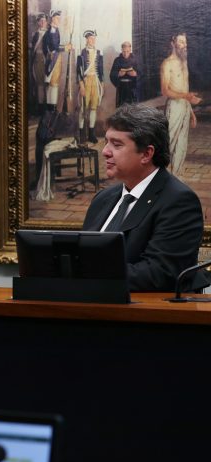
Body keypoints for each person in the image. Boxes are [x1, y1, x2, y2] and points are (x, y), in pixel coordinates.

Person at [83, 103, 204, 292]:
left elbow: (159, 273)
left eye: (117, 144)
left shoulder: (179, 202)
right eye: (106, 142)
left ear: (147, 154)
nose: (105, 151)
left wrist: (82, 273)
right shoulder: (103, 199)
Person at [160, 33, 202, 175]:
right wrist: (186, 96)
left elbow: (185, 90)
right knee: (169, 145)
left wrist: (191, 113)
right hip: (174, 108)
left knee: (181, 146)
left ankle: (176, 178)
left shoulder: (184, 62)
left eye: (185, 42)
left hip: (184, 107)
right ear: (173, 43)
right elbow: (165, 91)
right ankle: (162, 179)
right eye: (181, 42)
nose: (185, 45)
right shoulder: (167, 63)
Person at [76, 30, 103, 144]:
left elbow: (100, 70)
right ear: (87, 39)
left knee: (93, 108)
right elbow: (78, 71)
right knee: (83, 108)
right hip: (86, 81)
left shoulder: (98, 52)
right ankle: (81, 134)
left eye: (94, 38)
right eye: (91, 38)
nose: (93, 40)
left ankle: (91, 134)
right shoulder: (81, 53)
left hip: (95, 82)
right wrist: (81, 85)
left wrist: (102, 84)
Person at [42, 10, 72, 112]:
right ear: (53, 19)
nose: (59, 20)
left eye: (59, 18)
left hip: (54, 58)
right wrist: (65, 47)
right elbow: (54, 47)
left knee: (53, 84)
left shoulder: (55, 29)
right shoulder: (52, 30)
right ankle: (51, 108)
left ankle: (51, 107)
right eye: (57, 18)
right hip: (53, 60)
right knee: (53, 83)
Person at [29, 13, 49, 114]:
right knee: (40, 84)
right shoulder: (36, 34)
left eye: (44, 21)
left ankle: (48, 106)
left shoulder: (49, 33)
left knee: (48, 84)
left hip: (47, 60)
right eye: (41, 21)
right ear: (38, 23)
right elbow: (33, 48)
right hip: (38, 61)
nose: (43, 23)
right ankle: (41, 107)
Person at [109, 41, 138, 107]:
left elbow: (142, 74)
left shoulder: (135, 59)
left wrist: (135, 74)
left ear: (130, 50)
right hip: (121, 88)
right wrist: (118, 74)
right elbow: (111, 75)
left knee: (133, 108)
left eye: (127, 51)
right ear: (121, 50)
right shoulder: (117, 60)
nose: (125, 54)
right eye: (124, 51)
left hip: (132, 88)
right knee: (121, 108)